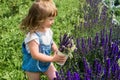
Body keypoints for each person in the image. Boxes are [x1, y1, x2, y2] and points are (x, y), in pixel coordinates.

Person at [20, 0, 66, 80]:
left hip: (46, 63)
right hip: (32, 66)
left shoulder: (48, 30)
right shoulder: (33, 36)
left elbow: (51, 42)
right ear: (40, 19)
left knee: (56, 77)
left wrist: (56, 50)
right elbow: (35, 55)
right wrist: (52, 58)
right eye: (50, 19)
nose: (53, 22)